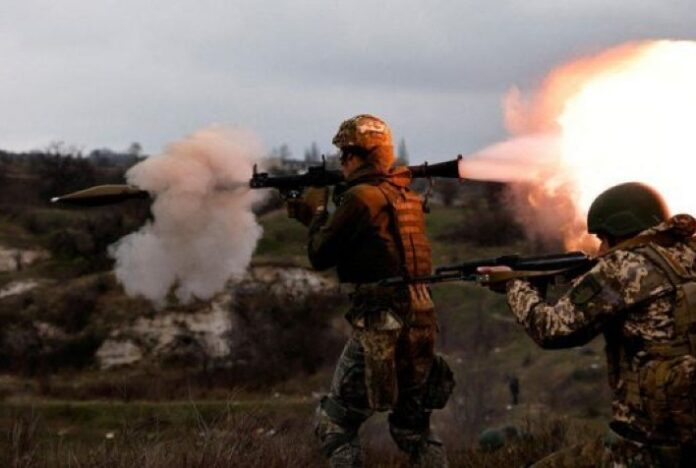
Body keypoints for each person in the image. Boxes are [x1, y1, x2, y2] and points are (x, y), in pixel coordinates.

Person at [480, 182, 696, 467]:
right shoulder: (688, 254)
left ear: (619, 231)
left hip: (644, 443)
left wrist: (515, 285)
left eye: (603, 238)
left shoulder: (622, 267)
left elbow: (552, 329)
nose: (599, 248)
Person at [288, 114, 454, 467]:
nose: (341, 162)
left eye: (345, 154)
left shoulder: (361, 198)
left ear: (359, 155)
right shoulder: (403, 195)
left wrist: (315, 213)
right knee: (413, 430)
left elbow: (320, 254)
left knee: (334, 423)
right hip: (421, 322)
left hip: (381, 325)